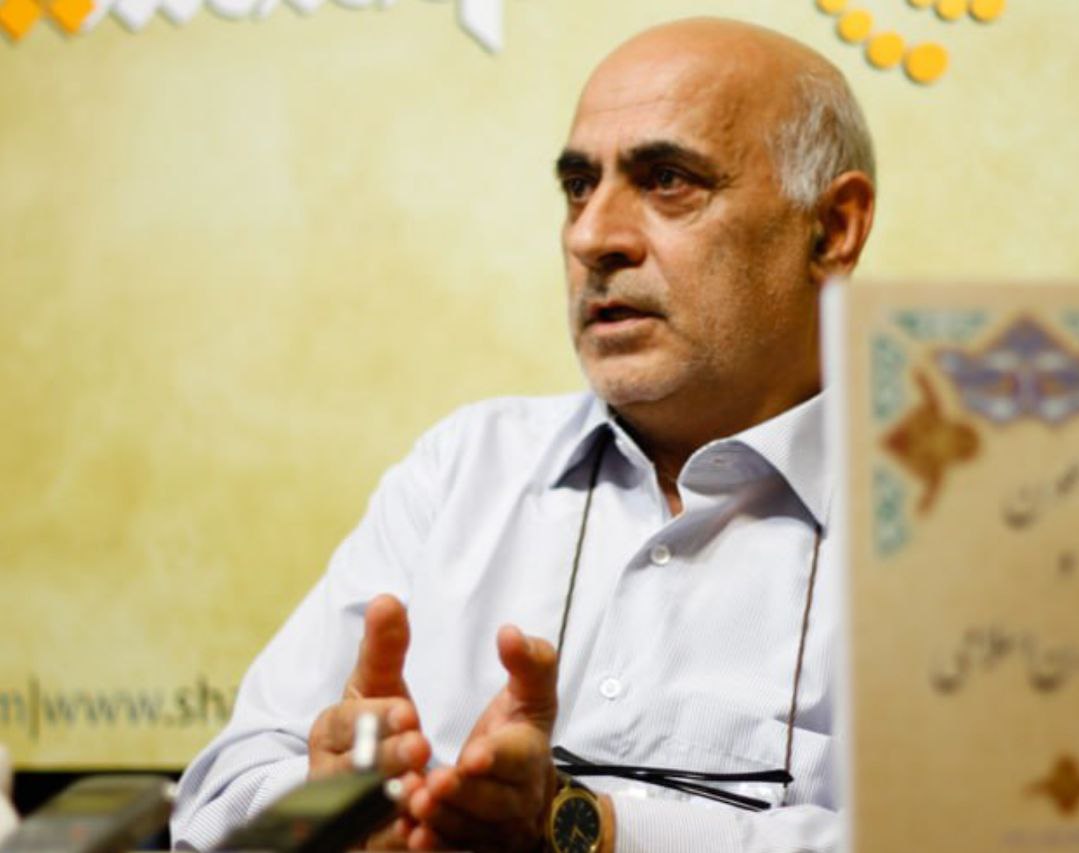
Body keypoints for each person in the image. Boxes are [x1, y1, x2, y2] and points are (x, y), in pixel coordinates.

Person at [171, 16, 876, 852]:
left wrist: (585, 829)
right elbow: (216, 798)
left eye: (667, 180)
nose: (592, 237)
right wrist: (337, 815)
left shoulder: (945, 511)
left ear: (832, 229)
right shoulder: (466, 465)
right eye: (579, 185)